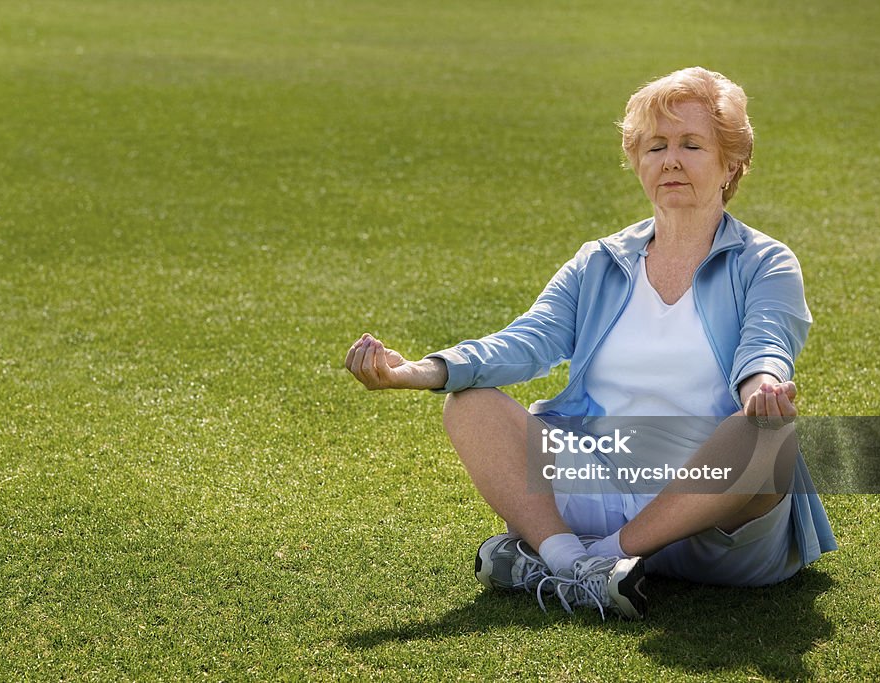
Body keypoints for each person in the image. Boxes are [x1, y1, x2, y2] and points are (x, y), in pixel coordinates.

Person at [344, 67, 836, 619]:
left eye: (692, 144)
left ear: (731, 164)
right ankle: (572, 562)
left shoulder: (766, 262)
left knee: (768, 435)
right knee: (471, 405)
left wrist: (762, 387)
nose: (670, 160)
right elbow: (528, 340)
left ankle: (584, 563)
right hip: (605, 482)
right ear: (637, 161)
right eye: (655, 146)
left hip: (715, 518)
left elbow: (767, 341)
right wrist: (420, 371)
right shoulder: (597, 261)